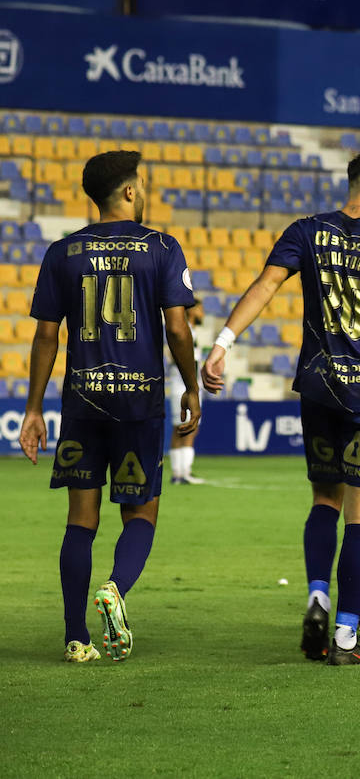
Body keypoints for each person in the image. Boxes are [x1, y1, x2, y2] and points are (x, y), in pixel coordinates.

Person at [201, 151, 360, 667]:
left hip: (319, 388)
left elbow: (265, 286)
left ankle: (317, 596)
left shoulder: (307, 230)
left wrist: (223, 343)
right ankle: (345, 636)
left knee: (325, 499)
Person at [19, 150, 201, 663]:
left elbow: (46, 337)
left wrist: (34, 408)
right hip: (139, 399)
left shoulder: (62, 252)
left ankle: (75, 637)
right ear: (128, 191)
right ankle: (116, 589)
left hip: (82, 399)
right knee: (141, 512)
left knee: (81, 519)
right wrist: (190, 385)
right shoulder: (162, 247)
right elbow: (178, 327)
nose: (142, 192)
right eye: (140, 185)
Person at [165, 298, 207, 485]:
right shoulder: (184, 331)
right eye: (200, 309)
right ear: (191, 311)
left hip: (188, 384)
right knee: (183, 427)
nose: (203, 313)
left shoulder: (193, 332)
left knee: (186, 428)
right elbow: (176, 359)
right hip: (181, 384)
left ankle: (182, 472)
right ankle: (180, 473)